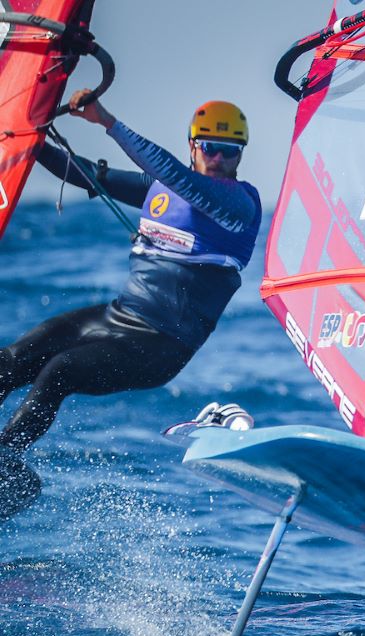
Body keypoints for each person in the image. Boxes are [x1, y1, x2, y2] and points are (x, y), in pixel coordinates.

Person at [0, 91, 262, 462]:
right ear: (192, 145)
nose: (218, 158)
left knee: (60, 370)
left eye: (229, 150)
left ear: (240, 154)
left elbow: (174, 175)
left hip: (162, 346)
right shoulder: (157, 190)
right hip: (117, 317)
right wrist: (25, 134)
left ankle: (5, 462)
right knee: (11, 359)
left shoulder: (239, 206)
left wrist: (107, 121)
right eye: (209, 147)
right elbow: (84, 174)